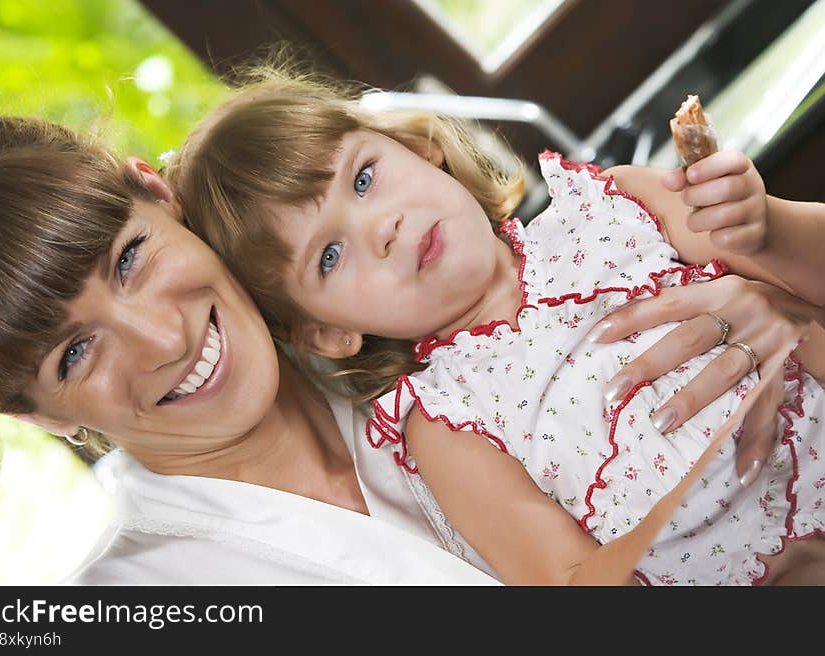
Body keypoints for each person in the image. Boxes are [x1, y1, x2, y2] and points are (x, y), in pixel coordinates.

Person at [0, 110, 818, 586]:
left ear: (155, 189)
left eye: (129, 260)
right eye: (73, 356)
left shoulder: (439, 311)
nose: (164, 337)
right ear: (24, 412)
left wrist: (780, 301)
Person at [169, 68, 825, 585]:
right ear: (327, 333)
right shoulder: (447, 423)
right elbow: (565, 581)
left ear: (419, 147)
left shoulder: (616, 205)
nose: (381, 228)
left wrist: (766, 230)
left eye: (364, 178)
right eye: (330, 255)